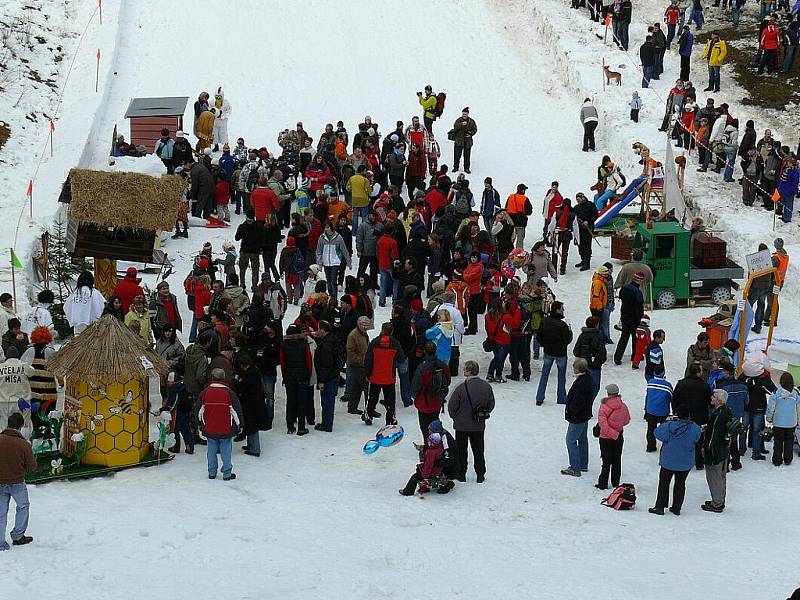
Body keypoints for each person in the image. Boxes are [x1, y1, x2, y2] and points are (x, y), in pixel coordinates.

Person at [649, 404, 702, 515]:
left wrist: (666, 422)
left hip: (668, 461)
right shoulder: (695, 428)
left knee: (664, 483)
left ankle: (660, 507)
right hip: (685, 462)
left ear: (677, 414)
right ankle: (676, 507)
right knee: (680, 484)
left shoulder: (669, 426)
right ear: (688, 415)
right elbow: (697, 438)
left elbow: (657, 433)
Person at [447, 360, 494, 483]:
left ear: (469, 371)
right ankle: (480, 474)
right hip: (478, 425)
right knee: (478, 450)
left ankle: (461, 473)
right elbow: (491, 404)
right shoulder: (486, 386)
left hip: (461, 426)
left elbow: (452, 407)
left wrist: (455, 417)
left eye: (465, 369)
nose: (463, 370)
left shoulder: (461, 388)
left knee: (461, 450)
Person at [195, 368, 243, 481]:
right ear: (224, 378)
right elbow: (236, 410)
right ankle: (226, 473)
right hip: (226, 427)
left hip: (210, 427)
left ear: (211, 377)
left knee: (211, 449)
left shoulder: (205, 392)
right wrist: (240, 424)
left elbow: (198, 410)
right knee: (226, 450)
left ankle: (212, 472)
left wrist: (198, 424)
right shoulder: (229, 392)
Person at [0, 412, 37, 550]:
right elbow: (32, 467)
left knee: (1, 512)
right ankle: (18, 536)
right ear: (21, 426)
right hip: (17, 483)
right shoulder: (23, 444)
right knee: (23, 507)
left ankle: (0, 543)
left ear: (7, 424)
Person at [364, 322, 405, 426]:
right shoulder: (396, 343)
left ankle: (369, 414)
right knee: (390, 399)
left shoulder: (374, 342)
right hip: (389, 376)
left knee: (373, 397)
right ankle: (390, 418)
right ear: (392, 331)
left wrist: (367, 374)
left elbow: (368, 359)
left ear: (382, 330)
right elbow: (401, 358)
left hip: (375, 375)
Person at [672, 363, 712, 469]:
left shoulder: (681, 383)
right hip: (700, 417)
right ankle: (698, 462)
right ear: (698, 373)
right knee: (698, 440)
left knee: (683, 438)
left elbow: (674, 399)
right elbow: (709, 401)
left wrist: (676, 412)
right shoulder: (704, 385)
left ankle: (682, 460)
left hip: (683, 416)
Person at [560, 358, 595, 477]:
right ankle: (583, 464)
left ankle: (575, 467)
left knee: (570, 440)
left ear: (579, 369)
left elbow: (578, 402)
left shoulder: (582, 383)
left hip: (578, 417)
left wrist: (570, 411)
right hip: (584, 415)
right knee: (582, 439)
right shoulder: (588, 379)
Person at [280, 324, 315, 436]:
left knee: (290, 401)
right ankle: (301, 427)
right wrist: (308, 375)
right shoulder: (304, 344)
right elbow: (309, 361)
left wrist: (284, 376)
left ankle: (290, 426)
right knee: (302, 402)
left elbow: (282, 363)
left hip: (289, 376)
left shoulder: (284, 345)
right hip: (302, 376)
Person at [536, 302, 573, 405]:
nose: (563, 310)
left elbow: (539, 336)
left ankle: (539, 397)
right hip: (560, 353)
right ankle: (561, 398)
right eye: (562, 309)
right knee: (561, 377)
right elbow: (567, 340)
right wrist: (570, 332)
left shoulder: (544, 321)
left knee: (544, 374)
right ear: (557, 310)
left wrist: (544, 345)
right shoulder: (562, 325)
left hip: (548, 352)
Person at [411, 342, 451, 437]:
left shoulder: (422, 367)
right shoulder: (442, 365)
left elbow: (415, 386)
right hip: (437, 400)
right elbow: (448, 381)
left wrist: (416, 397)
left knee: (424, 426)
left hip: (424, 402)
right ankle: (436, 444)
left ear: (425, 351)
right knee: (435, 422)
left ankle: (428, 445)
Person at [235, 352, 269, 457]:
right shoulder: (255, 371)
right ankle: (250, 445)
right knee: (251, 425)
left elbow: (242, 387)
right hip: (256, 403)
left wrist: (237, 382)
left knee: (252, 426)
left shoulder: (249, 374)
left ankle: (255, 449)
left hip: (251, 404)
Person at [313, 320, 343, 432]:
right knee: (329, 400)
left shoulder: (325, 345)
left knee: (327, 401)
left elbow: (325, 365)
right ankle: (327, 422)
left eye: (318, 329)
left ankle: (326, 424)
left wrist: (321, 380)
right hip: (334, 374)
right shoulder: (334, 340)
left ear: (322, 330)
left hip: (328, 377)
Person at [766, 372, 800, 467]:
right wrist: (798, 421)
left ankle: (777, 460)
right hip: (791, 423)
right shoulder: (796, 393)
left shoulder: (776, 392)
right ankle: (788, 459)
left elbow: (771, 407)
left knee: (778, 441)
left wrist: (769, 418)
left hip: (778, 422)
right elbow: (798, 409)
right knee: (789, 441)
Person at [613, 272, 645, 365]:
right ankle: (634, 356)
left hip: (624, 316)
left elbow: (621, 298)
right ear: (640, 280)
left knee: (624, 337)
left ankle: (617, 357)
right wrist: (640, 317)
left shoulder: (624, 288)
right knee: (635, 338)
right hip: (634, 318)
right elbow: (639, 306)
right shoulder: (637, 292)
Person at [316, 222, 352, 299]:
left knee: (333, 280)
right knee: (328, 281)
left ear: (331, 228)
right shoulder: (321, 238)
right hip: (326, 262)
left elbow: (344, 250)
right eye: (325, 227)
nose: (326, 229)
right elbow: (318, 251)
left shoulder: (338, 238)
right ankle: (331, 294)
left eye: (327, 227)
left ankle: (334, 298)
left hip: (335, 262)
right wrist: (319, 263)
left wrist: (348, 262)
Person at [573, 316, 607, 395]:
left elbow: (576, 351)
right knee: (595, 387)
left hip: (583, 366)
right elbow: (602, 351)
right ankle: (588, 403)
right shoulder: (599, 336)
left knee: (582, 387)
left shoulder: (582, 335)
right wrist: (600, 361)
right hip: (595, 366)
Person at [346, 316, 371, 415]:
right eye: (363, 325)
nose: (365, 327)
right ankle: (369, 409)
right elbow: (350, 351)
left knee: (357, 386)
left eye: (367, 325)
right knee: (365, 386)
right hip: (357, 365)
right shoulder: (353, 335)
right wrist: (361, 361)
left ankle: (352, 407)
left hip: (362, 364)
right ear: (358, 324)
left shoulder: (363, 334)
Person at [645, 368, 674, 452]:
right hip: (663, 411)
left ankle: (651, 446)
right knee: (665, 429)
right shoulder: (667, 385)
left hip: (651, 410)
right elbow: (671, 397)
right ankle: (666, 446)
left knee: (651, 429)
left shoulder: (650, 383)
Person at [450, 107, 477, 173]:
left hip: (467, 141)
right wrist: (461, 124)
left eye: (465, 114)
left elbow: (475, 129)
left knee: (467, 156)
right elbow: (455, 126)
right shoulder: (458, 120)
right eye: (463, 114)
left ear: (468, 114)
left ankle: (466, 168)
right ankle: (455, 167)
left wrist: (470, 134)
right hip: (459, 140)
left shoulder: (472, 121)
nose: (464, 115)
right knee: (456, 155)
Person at [505, 184, 533, 249]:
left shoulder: (510, 197)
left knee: (510, 239)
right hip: (521, 223)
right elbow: (529, 211)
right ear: (523, 190)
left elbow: (506, 207)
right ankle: (518, 254)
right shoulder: (525, 199)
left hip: (510, 222)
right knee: (520, 241)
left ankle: (508, 251)